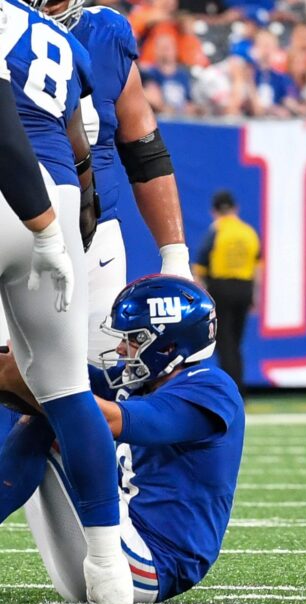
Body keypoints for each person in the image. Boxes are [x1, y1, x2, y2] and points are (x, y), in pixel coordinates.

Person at [0, 0, 133, 604]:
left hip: (17, 188)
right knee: (67, 389)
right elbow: (83, 147)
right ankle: (108, 568)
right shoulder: (60, 38)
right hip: (56, 193)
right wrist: (64, 225)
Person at [0, 276, 244, 604]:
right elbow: (69, 381)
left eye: (132, 339)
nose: (120, 348)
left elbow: (108, 419)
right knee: (28, 402)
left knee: (52, 418)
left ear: (168, 345)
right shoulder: (144, 381)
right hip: (114, 548)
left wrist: (31, 378)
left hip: (152, 562)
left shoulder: (210, 388)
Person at [31, 0, 194, 364]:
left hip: (95, 234)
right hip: (18, 228)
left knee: (101, 374)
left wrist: (175, 255)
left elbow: (145, 151)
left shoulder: (105, 33)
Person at [193, 191, 261, 393]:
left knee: (224, 344)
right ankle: (239, 388)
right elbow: (258, 266)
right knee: (237, 343)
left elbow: (199, 269)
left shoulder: (216, 231)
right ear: (235, 209)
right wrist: (255, 295)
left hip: (220, 289)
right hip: (245, 288)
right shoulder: (248, 232)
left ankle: (231, 390)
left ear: (214, 211)